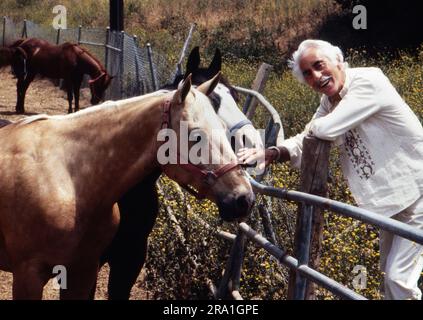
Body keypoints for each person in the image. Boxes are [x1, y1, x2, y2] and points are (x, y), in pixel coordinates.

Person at [238, 39, 423, 300]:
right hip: (394, 202)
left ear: (338, 60)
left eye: (319, 65)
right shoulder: (330, 101)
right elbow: (309, 138)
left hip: (418, 193)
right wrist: (271, 153)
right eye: (307, 73)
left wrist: (313, 128)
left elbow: (323, 130)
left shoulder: (368, 82)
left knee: (398, 279)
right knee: (389, 278)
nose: (316, 76)